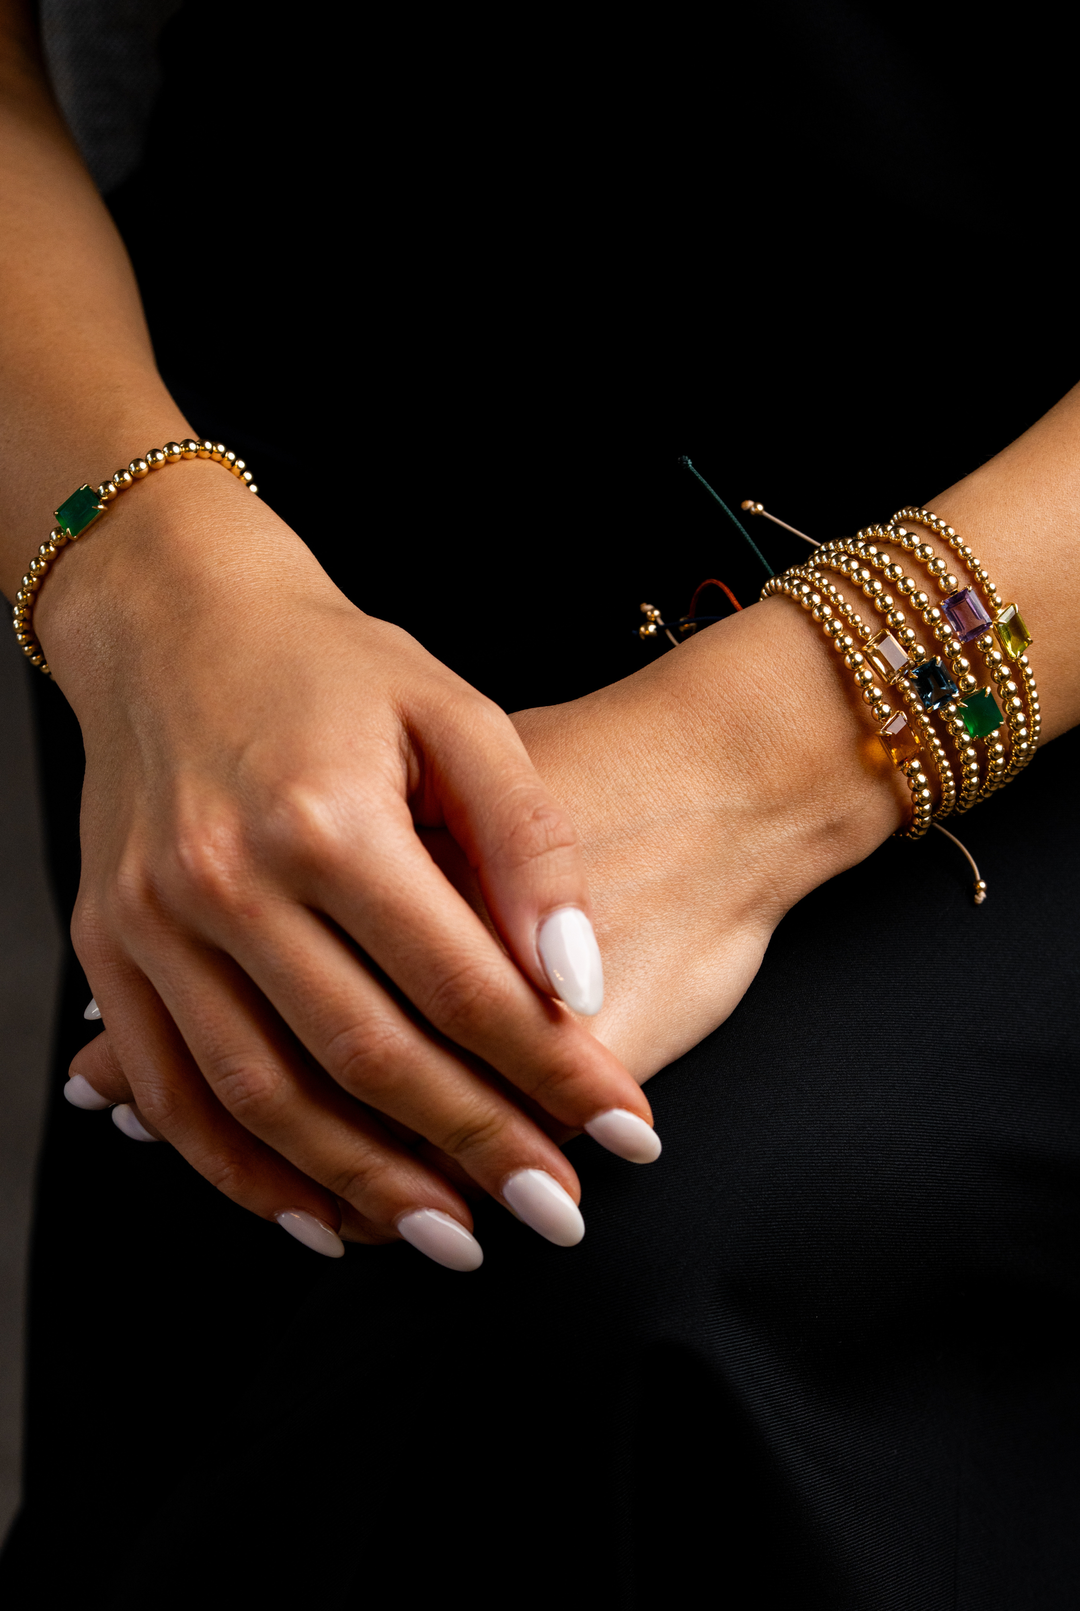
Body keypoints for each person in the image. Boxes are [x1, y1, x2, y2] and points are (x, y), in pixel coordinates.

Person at [2, 2, 1079, 1605]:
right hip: (265, 570)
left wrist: (767, 759)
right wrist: (147, 582)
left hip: (1040, 574)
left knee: (648, 1283)